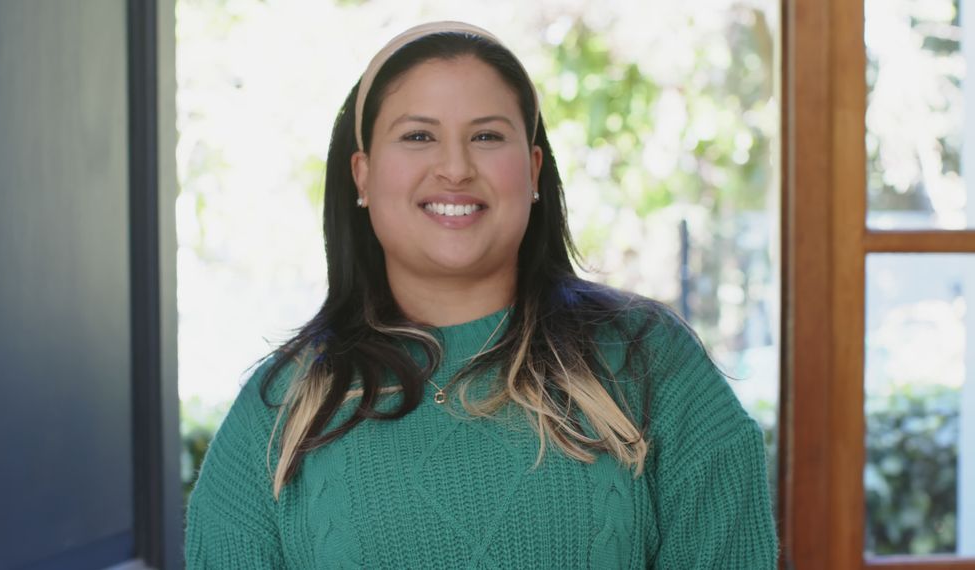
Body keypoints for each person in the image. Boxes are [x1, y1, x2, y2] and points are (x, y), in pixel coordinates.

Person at [185, 21, 778, 569]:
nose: (455, 168)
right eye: (418, 135)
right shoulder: (280, 412)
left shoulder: (651, 364)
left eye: (488, 136)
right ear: (362, 175)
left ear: (533, 169)